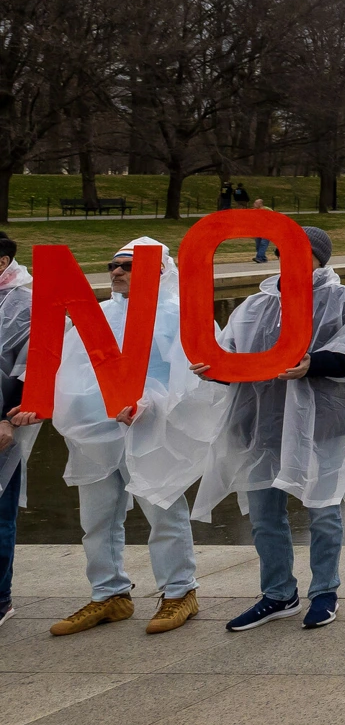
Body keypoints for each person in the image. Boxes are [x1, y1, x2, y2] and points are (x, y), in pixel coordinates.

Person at [192, 227, 345, 632]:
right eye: (283, 252)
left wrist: (314, 363)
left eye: (301, 253)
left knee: (323, 511)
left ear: (320, 258)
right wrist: (214, 370)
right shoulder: (255, 306)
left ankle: (325, 591)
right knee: (264, 516)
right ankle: (278, 593)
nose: (289, 260)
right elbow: (233, 357)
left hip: (323, 427)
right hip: (260, 428)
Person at [36, 238, 219, 636]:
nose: (116, 271)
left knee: (163, 511)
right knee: (97, 519)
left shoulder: (179, 315)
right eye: (112, 265)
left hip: (153, 432)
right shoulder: (95, 317)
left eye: (127, 265)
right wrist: (39, 404)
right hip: (98, 434)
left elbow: (200, 377)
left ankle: (180, 591)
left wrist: (151, 404)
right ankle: (109, 594)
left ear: (157, 271)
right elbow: (67, 373)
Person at [0, 234, 24, 629]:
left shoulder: (24, 302)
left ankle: (0, 599)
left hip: (3, 420)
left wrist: (6, 417)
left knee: (0, 512)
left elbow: (30, 366)